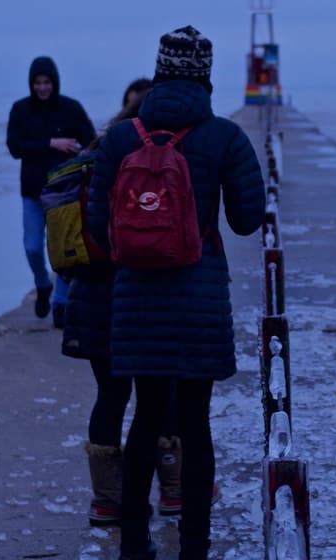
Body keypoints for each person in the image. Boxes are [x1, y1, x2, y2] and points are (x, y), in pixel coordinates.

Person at [87, 26, 265, 560]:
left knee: (142, 420)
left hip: (135, 300)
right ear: (206, 77)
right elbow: (247, 219)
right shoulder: (223, 137)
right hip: (198, 298)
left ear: (161, 72)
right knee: (194, 426)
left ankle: (133, 548)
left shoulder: (118, 139)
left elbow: (96, 227)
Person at [65, 77, 223, 527]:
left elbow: (88, 229)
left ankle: (106, 501)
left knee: (110, 398)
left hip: (89, 295)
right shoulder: (157, 155)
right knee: (163, 396)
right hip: (133, 294)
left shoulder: (96, 153)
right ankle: (173, 491)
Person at [5, 56, 97, 326]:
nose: (42, 88)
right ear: (31, 84)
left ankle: (61, 303)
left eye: (46, 82)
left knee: (64, 251)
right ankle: (43, 285)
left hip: (65, 194)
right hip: (32, 192)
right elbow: (14, 147)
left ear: (54, 82)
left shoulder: (71, 108)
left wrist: (79, 154)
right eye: (37, 83)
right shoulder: (20, 110)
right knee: (33, 248)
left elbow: (90, 141)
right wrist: (51, 143)